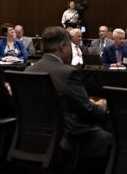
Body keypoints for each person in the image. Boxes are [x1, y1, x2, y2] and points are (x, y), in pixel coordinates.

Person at [28, 26, 111, 159]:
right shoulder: (68, 73)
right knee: (108, 137)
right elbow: (88, 111)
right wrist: (101, 106)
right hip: (68, 135)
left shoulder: (29, 71)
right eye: (69, 47)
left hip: (37, 136)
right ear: (62, 46)